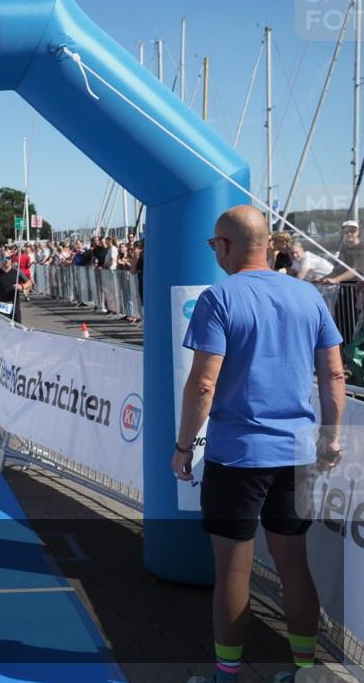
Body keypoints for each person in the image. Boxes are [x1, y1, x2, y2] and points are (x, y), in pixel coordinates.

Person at [171, 206, 344, 683]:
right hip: (298, 454)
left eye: (213, 245)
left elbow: (203, 385)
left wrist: (184, 447)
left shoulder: (220, 298)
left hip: (238, 456)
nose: (214, 253)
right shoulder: (308, 296)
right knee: (294, 565)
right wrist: (330, 436)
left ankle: (227, 675)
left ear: (225, 246)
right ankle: (305, 671)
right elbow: (333, 374)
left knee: (232, 571)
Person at [0, 256, 31, 322]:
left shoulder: (17, 272)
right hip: (2, 303)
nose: (6, 260)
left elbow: (29, 283)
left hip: (14, 302)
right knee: (3, 324)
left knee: (17, 325)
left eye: (8, 259)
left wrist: (22, 287)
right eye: (4, 258)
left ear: (11, 260)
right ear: (1, 261)